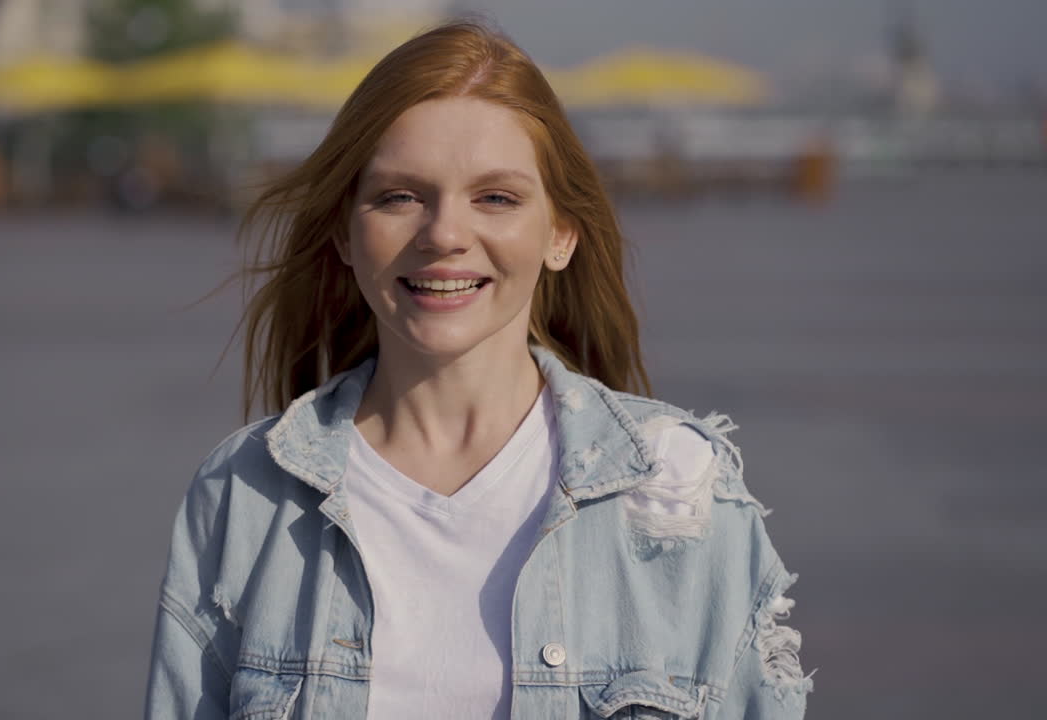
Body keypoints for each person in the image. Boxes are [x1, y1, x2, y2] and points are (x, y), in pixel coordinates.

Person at [145, 20, 812, 720]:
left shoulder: (680, 496)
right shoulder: (242, 496)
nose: (445, 235)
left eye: (496, 197)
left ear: (561, 233)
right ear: (344, 230)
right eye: (401, 196)